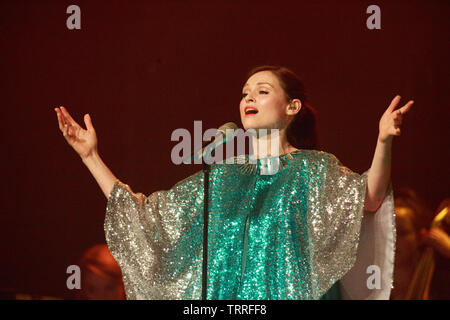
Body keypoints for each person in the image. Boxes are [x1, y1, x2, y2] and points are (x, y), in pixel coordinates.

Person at [55, 65, 413, 300]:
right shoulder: (224, 176)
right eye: (244, 93)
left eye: (261, 90)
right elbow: (147, 215)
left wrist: (383, 140)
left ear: (292, 107)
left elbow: (368, 198)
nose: (248, 98)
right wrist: (90, 157)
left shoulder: (312, 169)